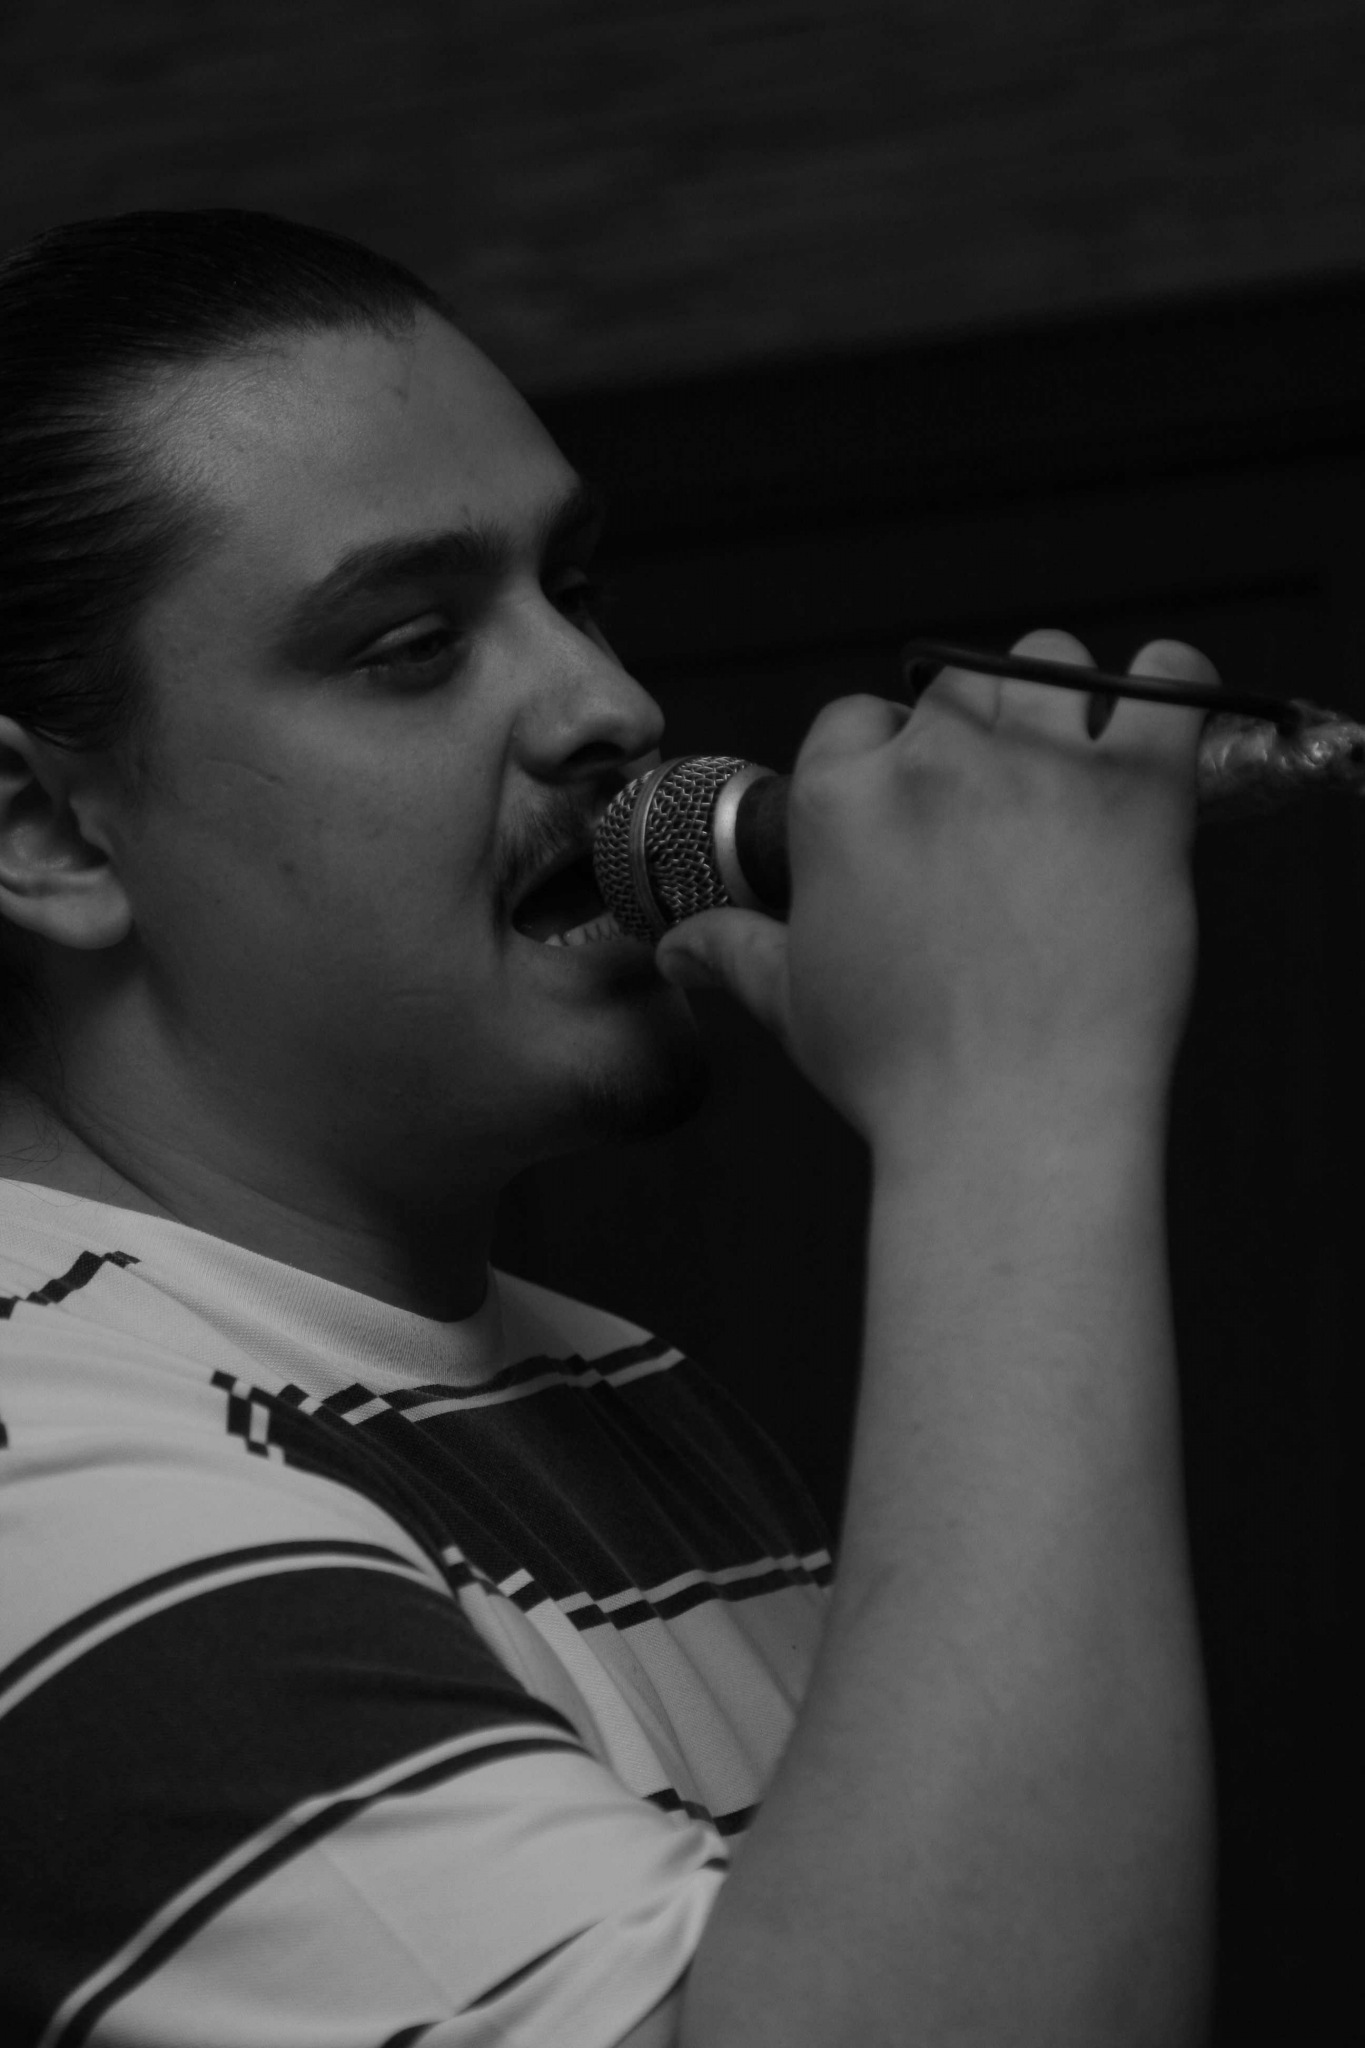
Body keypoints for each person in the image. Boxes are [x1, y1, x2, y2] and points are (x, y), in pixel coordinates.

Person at [0, 210, 1213, 2048]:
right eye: (413, 643)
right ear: (48, 833)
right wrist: (1012, 1102)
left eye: (573, 589)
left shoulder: (607, 1389)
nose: (609, 706)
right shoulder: (39, 1471)